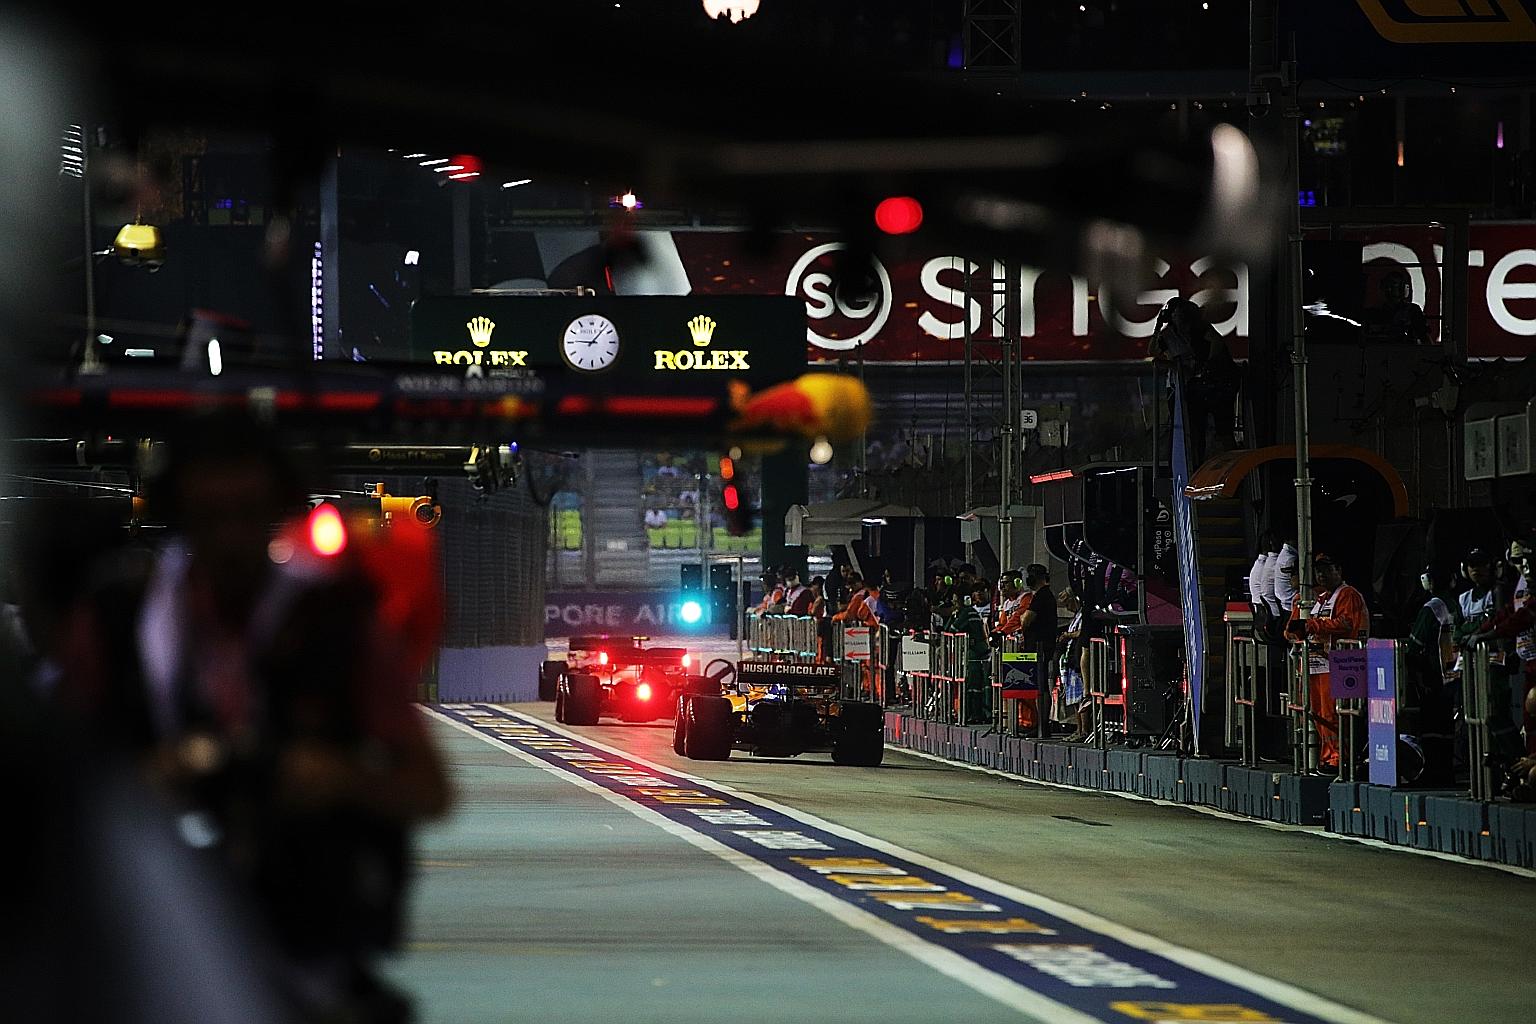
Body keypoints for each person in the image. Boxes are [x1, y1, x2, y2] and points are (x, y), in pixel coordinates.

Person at [57, 410, 453, 1024]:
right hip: (149, 938)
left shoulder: (334, 623)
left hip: (308, 944)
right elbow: (53, 789)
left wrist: (338, 779)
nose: (230, 537)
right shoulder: (116, 621)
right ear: (179, 512)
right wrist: (143, 783)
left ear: (277, 504)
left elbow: (430, 791)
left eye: (247, 513)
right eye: (210, 517)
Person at [1284, 551, 1369, 771]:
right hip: (1315, 664)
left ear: (1338, 570)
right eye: (1318, 571)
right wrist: (1297, 629)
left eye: (1326, 570)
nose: (1321, 575)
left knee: (1334, 712)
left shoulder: (1348, 594)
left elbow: (1346, 623)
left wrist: (1312, 625)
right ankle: (1328, 756)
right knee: (1317, 712)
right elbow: (1297, 629)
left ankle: (1340, 757)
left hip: (1339, 664)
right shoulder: (1318, 599)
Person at [1149, 295, 1240, 467]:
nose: (1180, 317)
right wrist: (1158, 326)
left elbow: (1216, 342)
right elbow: (1152, 349)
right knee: (1191, 431)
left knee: (1219, 431)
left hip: (1206, 384)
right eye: (1176, 313)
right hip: (1183, 386)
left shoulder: (1199, 328)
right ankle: (1194, 466)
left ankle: (1224, 465)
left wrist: (1207, 365)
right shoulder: (1167, 335)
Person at [1015, 564, 1058, 736]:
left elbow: (1026, 619)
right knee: (1035, 687)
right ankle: (1037, 724)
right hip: (1036, 646)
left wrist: (1022, 617)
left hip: (1041, 647)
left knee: (1041, 687)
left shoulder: (1042, 596)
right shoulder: (1040, 596)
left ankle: (1042, 726)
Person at [1363, 268, 1429, 345]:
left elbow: (1424, 336)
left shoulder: (1412, 311)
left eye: (1394, 285)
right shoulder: (1374, 313)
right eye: (1387, 285)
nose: (1389, 289)